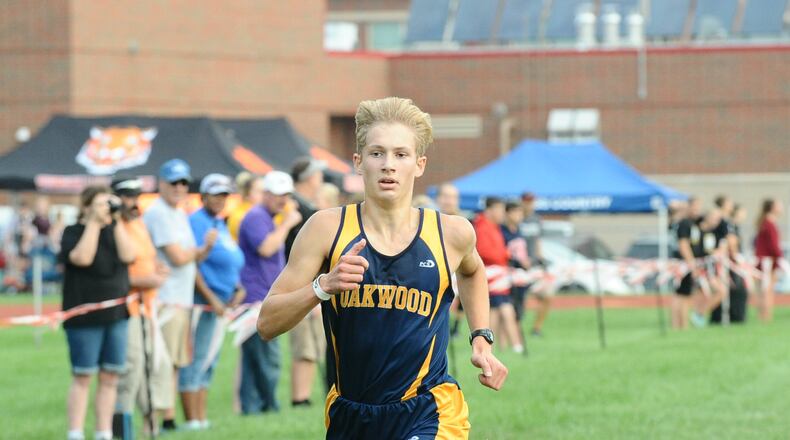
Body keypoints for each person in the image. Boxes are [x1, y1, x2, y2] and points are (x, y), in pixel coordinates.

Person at [257, 97, 508, 439]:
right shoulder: (325, 228)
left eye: (401, 155)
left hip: (429, 408)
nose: (388, 165)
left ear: (419, 164)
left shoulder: (451, 233)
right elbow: (267, 323)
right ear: (359, 162)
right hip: (351, 412)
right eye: (377, 153)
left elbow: (473, 271)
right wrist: (323, 287)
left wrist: (481, 338)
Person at [143, 159, 216, 431]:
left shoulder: (178, 212)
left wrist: (201, 250)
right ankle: (158, 419)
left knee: (174, 361)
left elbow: (189, 258)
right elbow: (177, 257)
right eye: (173, 182)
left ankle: (168, 417)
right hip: (165, 298)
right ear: (161, 183)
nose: (179, 187)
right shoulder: (159, 213)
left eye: (183, 182)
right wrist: (198, 251)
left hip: (179, 299)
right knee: (161, 362)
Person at [60, 185, 136, 440]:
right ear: (86, 206)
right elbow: (82, 258)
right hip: (84, 317)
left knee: (111, 375)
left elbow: (129, 255)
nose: (106, 209)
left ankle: (104, 432)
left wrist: (116, 221)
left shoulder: (116, 230)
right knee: (83, 375)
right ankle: (75, 432)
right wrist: (93, 222)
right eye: (101, 204)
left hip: (116, 315)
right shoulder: (73, 232)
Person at [179, 174, 246, 429]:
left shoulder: (218, 222)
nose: (220, 200)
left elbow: (228, 259)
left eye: (223, 195)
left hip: (222, 301)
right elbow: (193, 265)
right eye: (215, 195)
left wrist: (237, 287)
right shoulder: (196, 221)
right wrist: (211, 297)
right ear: (203, 196)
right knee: (196, 358)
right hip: (204, 301)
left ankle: (201, 418)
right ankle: (192, 420)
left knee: (210, 359)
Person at [111, 177, 173, 439]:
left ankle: (151, 426)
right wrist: (146, 280)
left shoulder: (138, 224)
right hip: (127, 309)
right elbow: (115, 273)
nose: (132, 201)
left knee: (157, 367)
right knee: (130, 370)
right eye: (127, 196)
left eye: (135, 196)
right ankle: (121, 430)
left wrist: (158, 269)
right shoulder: (114, 227)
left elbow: (147, 258)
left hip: (148, 307)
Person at [237, 170, 302, 414]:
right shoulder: (257, 216)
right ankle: (268, 406)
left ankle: (252, 408)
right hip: (256, 298)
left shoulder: (267, 217)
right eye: (277, 195)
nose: (283, 200)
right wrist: (287, 223)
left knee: (255, 358)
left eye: (286, 195)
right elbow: (266, 248)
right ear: (265, 194)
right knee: (267, 356)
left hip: (259, 295)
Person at [286, 157, 328, 408]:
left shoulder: (306, 206)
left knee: (313, 347)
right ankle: (299, 397)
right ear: (310, 178)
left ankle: (304, 396)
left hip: (310, 285)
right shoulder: (297, 207)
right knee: (304, 346)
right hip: (301, 285)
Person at [474, 197, 522, 353]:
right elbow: (484, 252)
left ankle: (496, 346)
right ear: (491, 209)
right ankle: (515, 345)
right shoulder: (482, 227)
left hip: (498, 274)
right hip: (491, 275)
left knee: (495, 311)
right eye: (500, 210)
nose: (502, 213)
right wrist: (505, 255)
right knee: (502, 309)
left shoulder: (494, 227)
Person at [520, 192, 551, 337]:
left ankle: (536, 328)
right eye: (526, 201)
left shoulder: (536, 219)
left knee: (546, 297)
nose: (529, 204)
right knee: (518, 302)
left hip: (534, 266)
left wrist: (541, 259)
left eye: (531, 202)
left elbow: (537, 241)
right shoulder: (516, 218)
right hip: (519, 267)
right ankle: (515, 329)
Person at [500, 201, 530, 352]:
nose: (519, 216)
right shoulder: (502, 232)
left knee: (518, 309)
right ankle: (508, 344)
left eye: (520, 212)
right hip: (508, 275)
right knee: (509, 309)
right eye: (516, 212)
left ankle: (512, 343)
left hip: (521, 276)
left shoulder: (519, 231)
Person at [754, 199, 783, 323]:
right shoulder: (769, 223)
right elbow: (773, 245)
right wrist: (780, 258)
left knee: (764, 289)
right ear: (772, 207)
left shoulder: (765, 222)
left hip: (765, 260)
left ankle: (764, 316)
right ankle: (765, 316)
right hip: (767, 261)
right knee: (766, 290)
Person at [227, 172, 265, 242]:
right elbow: (261, 244)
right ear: (247, 194)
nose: (264, 195)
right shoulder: (241, 216)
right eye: (259, 191)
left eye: (265, 191)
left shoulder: (258, 212)